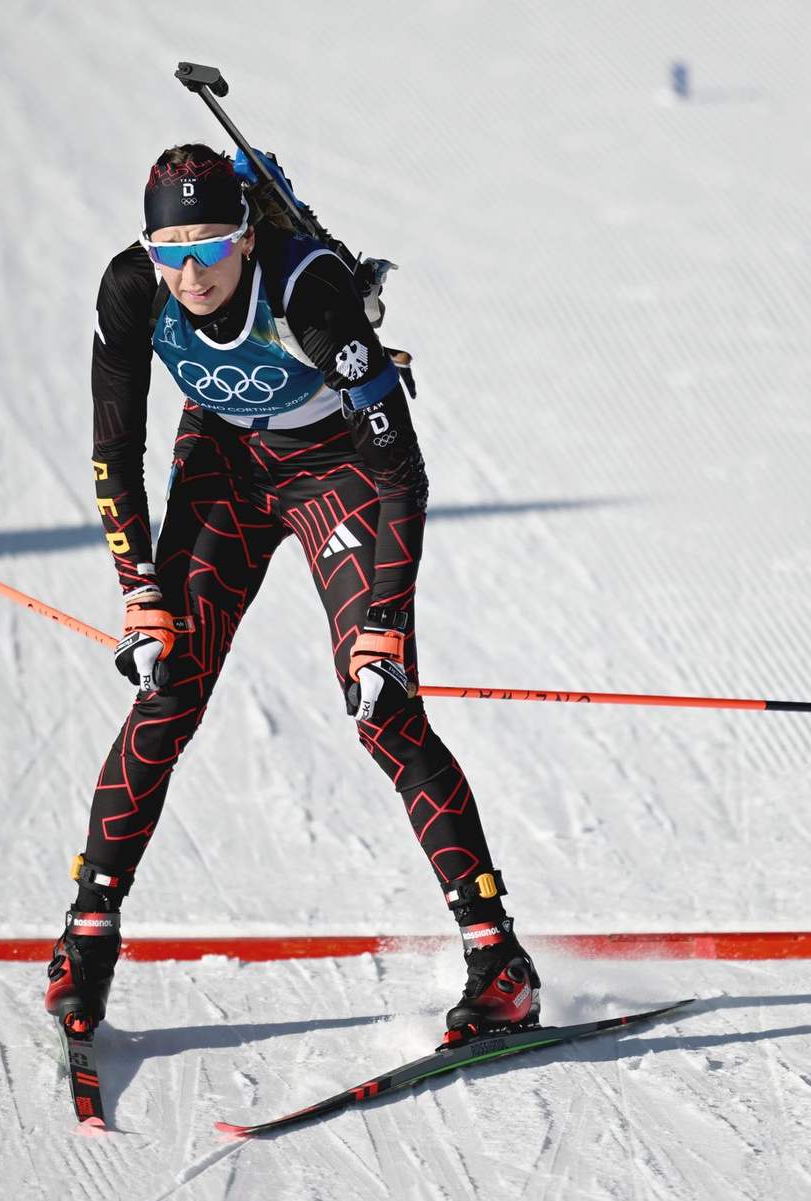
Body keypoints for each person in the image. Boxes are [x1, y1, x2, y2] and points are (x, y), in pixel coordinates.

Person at [43, 145, 539, 1044]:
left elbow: (402, 470)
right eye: (170, 249)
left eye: (209, 247)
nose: (189, 271)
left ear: (245, 235)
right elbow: (115, 449)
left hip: (336, 471)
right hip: (225, 466)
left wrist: (382, 625)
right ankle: (86, 942)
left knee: (382, 706)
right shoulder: (132, 289)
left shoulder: (308, 291)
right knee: (167, 691)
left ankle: (498, 959)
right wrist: (139, 588)